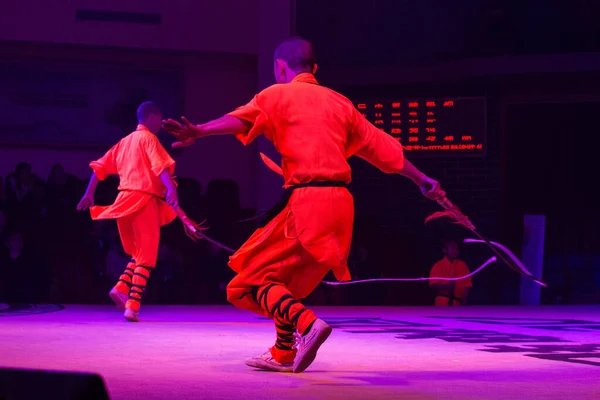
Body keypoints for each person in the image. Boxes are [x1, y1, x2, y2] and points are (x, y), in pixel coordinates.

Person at [162, 37, 444, 373]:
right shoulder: (341, 103)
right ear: (315, 69)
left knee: (246, 283)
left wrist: (200, 131)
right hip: (341, 205)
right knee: (286, 283)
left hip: (309, 201)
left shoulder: (277, 95)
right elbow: (381, 148)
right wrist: (421, 178)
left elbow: (243, 120)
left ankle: (308, 325)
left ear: (280, 66)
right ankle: (283, 351)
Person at [77, 101, 180, 322]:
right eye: (159, 119)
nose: (160, 124)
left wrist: (89, 193)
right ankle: (132, 306)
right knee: (148, 257)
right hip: (143, 201)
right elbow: (160, 166)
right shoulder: (149, 139)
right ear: (152, 117)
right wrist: (171, 188)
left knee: (139, 254)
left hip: (123, 203)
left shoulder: (124, 142)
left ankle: (121, 287)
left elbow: (100, 167)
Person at [429, 239, 472, 306]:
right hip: (442, 301)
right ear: (444, 250)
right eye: (452, 248)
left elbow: (467, 285)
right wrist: (446, 286)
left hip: (458, 302)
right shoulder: (438, 265)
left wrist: (464, 299)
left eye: (457, 249)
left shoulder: (463, 265)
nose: (455, 251)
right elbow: (433, 284)